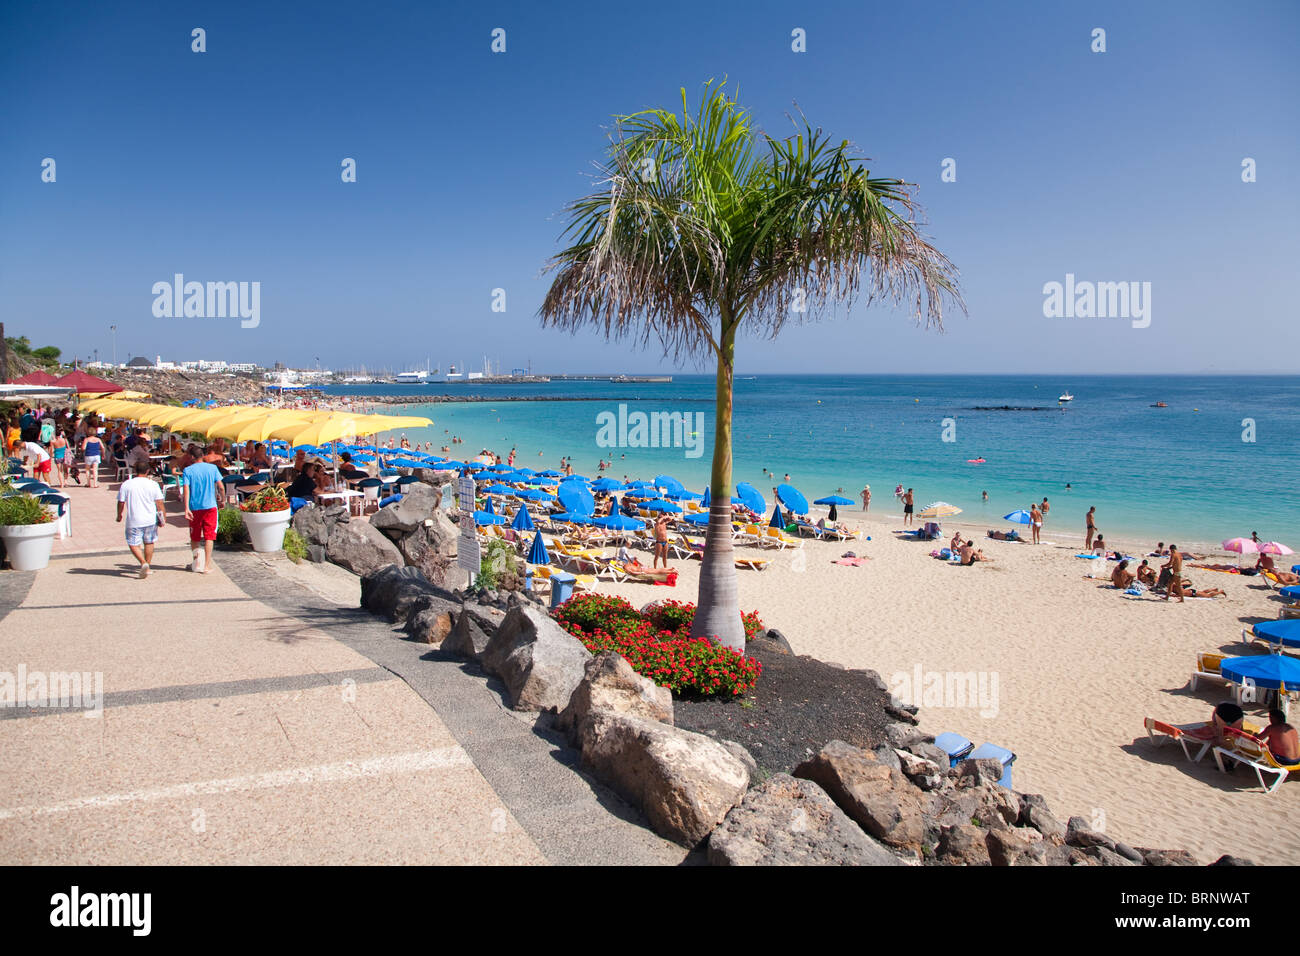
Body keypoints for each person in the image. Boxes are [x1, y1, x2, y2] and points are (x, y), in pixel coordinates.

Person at [116, 462, 166, 578]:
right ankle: (147, 565)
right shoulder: (153, 484)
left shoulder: (127, 484)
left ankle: (143, 563)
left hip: (134, 519)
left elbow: (121, 502)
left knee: (133, 543)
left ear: (134, 471)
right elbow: (159, 502)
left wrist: (119, 515)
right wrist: (163, 517)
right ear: (148, 471)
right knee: (149, 542)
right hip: (150, 519)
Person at [181, 448, 225, 574]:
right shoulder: (212, 469)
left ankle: (196, 563)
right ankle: (206, 565)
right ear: (203, 456)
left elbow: (186, 489)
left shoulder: (188, 470)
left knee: (195, 537)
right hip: (210, 506)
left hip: (195, 507)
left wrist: (186, 508)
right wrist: (223, 500)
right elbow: (221, 487)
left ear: (192, 457)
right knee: (209, 536)